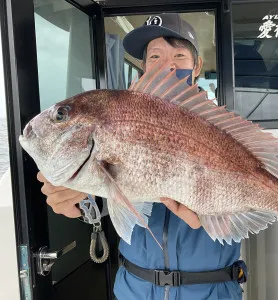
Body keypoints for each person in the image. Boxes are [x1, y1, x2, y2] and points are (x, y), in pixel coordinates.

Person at [37, 13, 245, 300]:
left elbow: (253, 203)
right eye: (155, 56)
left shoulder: (224, 130)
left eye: (180, 55)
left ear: (197, 66)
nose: (167, 65)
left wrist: (216, 213)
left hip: (210, 291)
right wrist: (80, 200)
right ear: (144, 67)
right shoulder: (122, 123)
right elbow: (113, 194)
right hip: (135, 288)